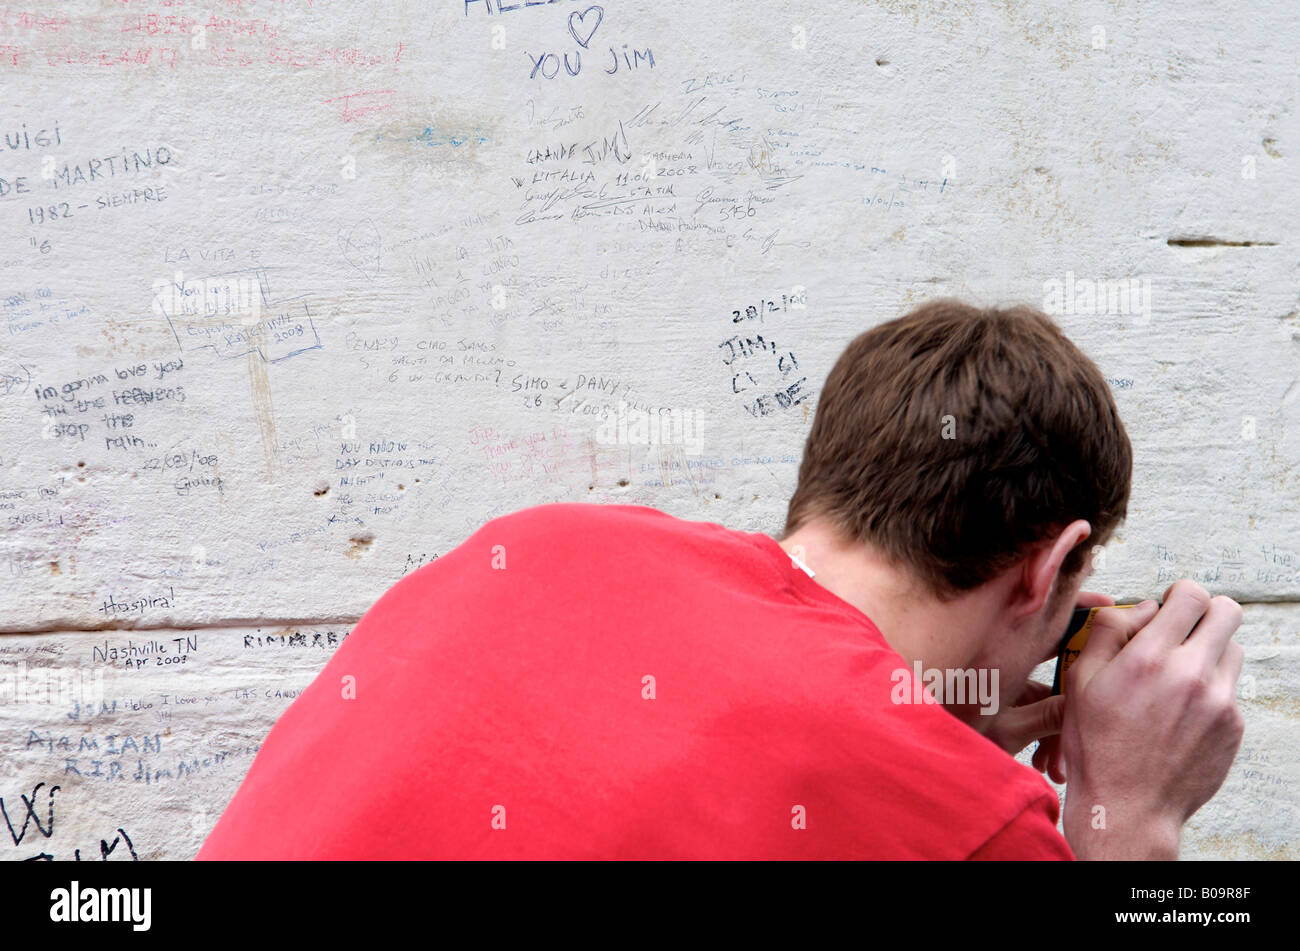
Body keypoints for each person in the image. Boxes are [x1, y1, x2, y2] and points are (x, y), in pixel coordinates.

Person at [197, 298, 1244, 860]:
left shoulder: (536, 544)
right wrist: (1132, 816)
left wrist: (930, 734)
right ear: (1050, 568)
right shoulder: (970, 827)